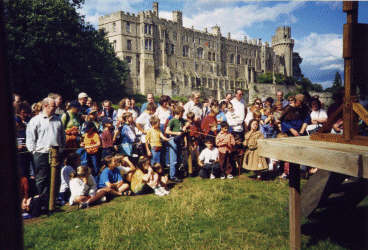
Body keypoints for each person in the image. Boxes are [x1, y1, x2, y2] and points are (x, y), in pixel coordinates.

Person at [26, 97, 65, 208]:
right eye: (53, 106)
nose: (56, 108)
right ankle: (42, 203)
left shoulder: (58, 120)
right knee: (41, 178)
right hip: (41, 153)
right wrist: (34, 151)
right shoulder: (35, 121)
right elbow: (30, 139)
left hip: (56, 153)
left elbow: (62, 137)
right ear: (45, 106)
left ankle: (53, 201)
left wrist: (61, 149)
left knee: (55, 178)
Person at [166, 106, 189, 182]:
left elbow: (188, 123)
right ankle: (172, 176)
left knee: (179, 158)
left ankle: (177, 174)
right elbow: (167, 131)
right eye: (182, 113)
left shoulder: (181, 120)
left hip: (179, 140)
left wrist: (185, 126)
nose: (183, 114)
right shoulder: (172, 120)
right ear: (179, 113)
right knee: (173, 159)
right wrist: (176, 132)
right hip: (173, 140)